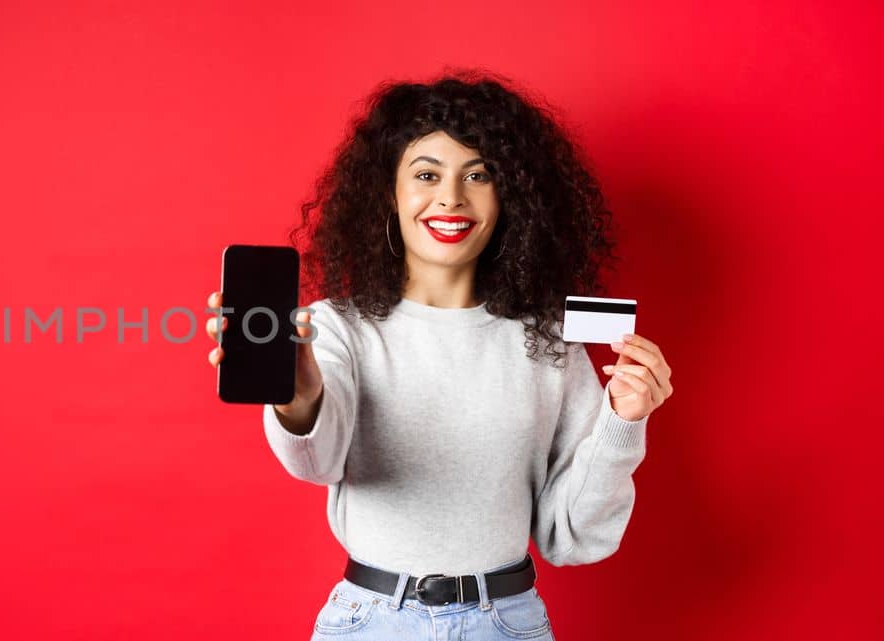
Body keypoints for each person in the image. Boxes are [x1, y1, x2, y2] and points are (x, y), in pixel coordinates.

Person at [204, 72, 675, 640]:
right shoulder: (338, 328)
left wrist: (622, 423)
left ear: (510, 197)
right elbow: (315, 463)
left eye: (478, 175)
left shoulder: (549, 341)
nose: (451, 197)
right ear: (391, 193)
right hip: (370, 622)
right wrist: (301, 400)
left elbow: (572, 536)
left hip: (507, 623)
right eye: (427, 174)